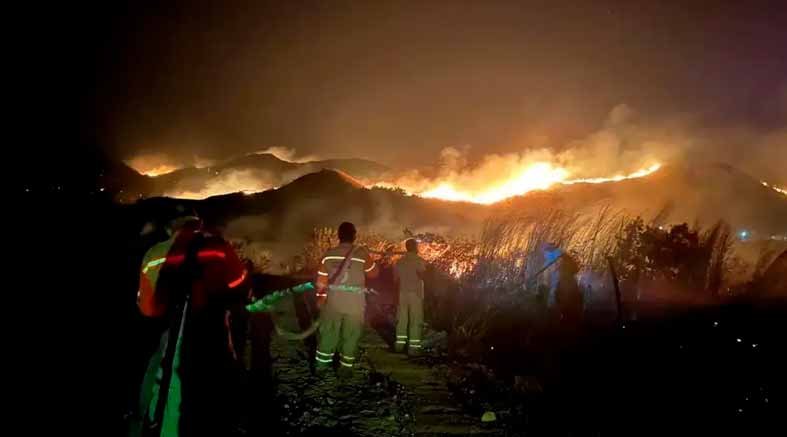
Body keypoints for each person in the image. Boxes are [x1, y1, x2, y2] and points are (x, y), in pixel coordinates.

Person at [132, 209, 248, 437]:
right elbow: (238, 282)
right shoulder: (217, 246)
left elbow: (148, 308)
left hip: (172, 335)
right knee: (217, 384)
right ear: (198, 224)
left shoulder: (154, 254)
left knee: (169, 387)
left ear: (170, 227)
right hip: (214, 329)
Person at [314, 222, 378, 377]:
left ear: (338, 236)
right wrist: (370, 260)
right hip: (355, 304)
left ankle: (321, 367)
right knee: (351, 334)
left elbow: (321, 282)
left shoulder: (328, 255)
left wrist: (320, 299)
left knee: (328, 333)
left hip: (333, 302)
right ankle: (345, 368)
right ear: (354, 236)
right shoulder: (362, 254)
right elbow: (373, 274)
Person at [393, 238, 427, 355]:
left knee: (401, 319)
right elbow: (423, 275)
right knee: (415, 320)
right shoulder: (419, 261)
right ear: (414, 247)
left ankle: (399, 345)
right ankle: (413, 348)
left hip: (402, 293)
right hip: (415, 294)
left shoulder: (399, 261)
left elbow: (395, 279)